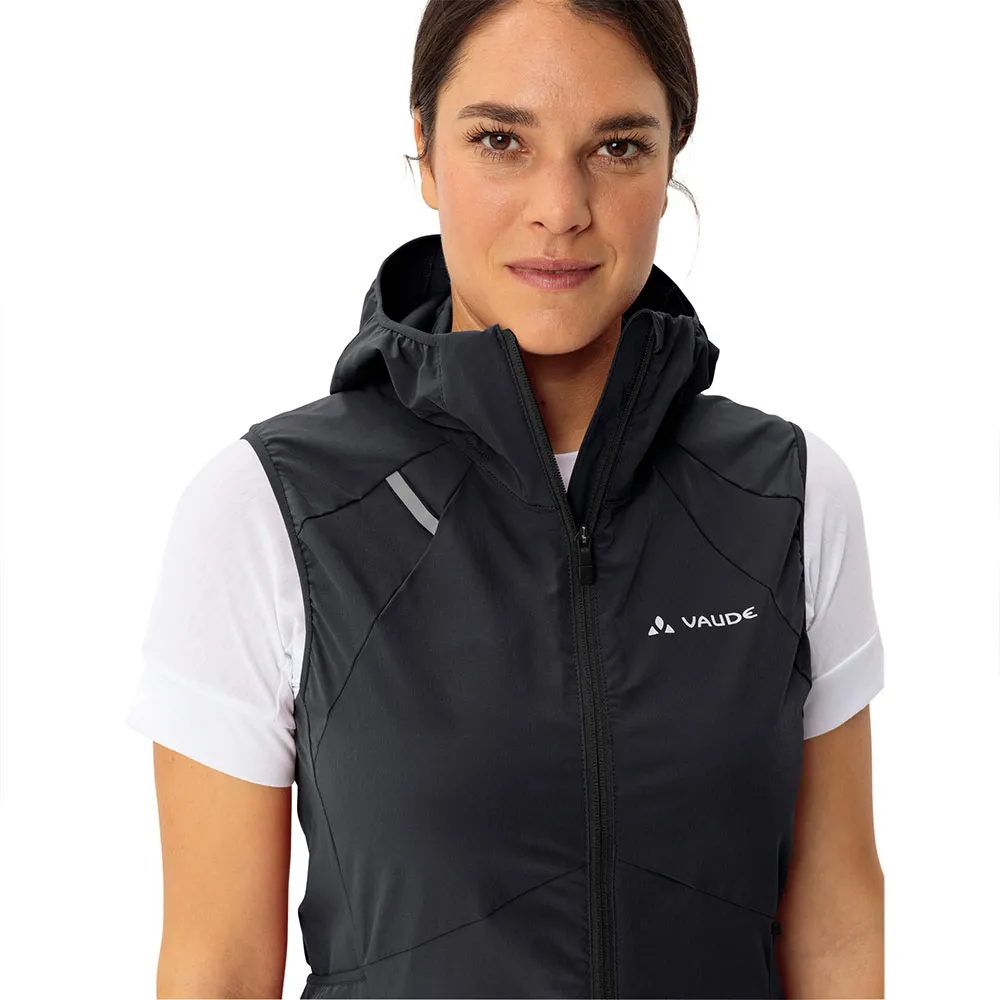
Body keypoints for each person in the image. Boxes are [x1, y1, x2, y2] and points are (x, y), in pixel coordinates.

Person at [126, 1, 885, 997]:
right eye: (499, 140)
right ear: (426, 152)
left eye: (617, 146)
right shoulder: (271, 509)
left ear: (671, 159)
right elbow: (218, 968)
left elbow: (836, 922)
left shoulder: (785, 495)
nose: (559, 208)